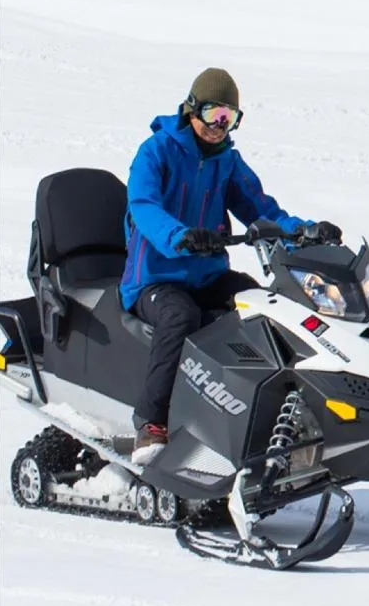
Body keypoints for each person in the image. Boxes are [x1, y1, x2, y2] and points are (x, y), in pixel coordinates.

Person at [120, 68, 342, 463]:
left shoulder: (227, 162)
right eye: (213, 114)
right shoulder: (156, 151)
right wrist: (180, 236)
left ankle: (268, 417)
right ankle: (151, 422)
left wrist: (303, 231)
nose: (220, 126)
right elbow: (144, 205)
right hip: (154, 278)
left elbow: (262, 211)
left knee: (263, 304)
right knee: (180, 316)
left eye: (229, 118)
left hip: (206, 275)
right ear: (191, 110)